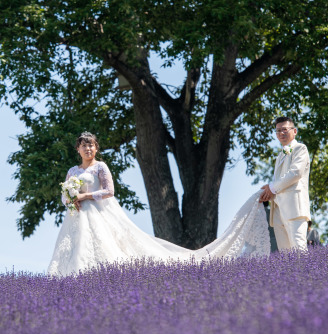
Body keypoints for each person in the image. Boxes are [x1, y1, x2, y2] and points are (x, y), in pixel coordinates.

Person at [47, 132, 271, 276]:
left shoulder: (101, 167)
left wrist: (85, 196)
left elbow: (109, 191)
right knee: (76, 247)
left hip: (98, 215)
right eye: (84, 146)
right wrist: (71, 200)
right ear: (78, 149)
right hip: (77, 216)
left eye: (91, 146)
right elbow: (65, 195)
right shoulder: (73, 171)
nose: (88, 149)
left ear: (96, 148)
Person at [259, 117, 311, 252]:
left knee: (299, 250)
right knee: (285, 256)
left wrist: (271, 188)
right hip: (278, 212)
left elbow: (295, 173)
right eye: (278, 131)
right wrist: (268, 193)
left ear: (294, 131)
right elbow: (280, 184)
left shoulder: (300, 148)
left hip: (294, 208)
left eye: (284, 130)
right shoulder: (279, 156)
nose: (281, 133)